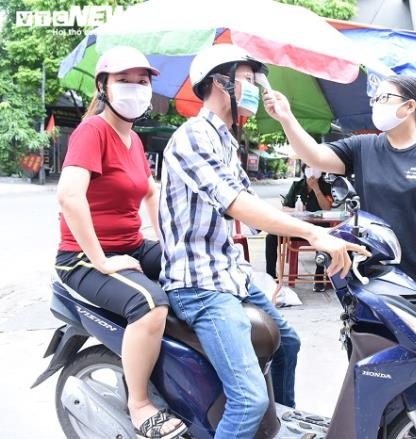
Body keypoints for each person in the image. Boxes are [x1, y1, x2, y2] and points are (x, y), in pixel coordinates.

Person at [158, 44, 368, 439]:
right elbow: (237, 204)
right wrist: (311, 232)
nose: (256, 88)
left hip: (226, 274)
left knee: (288, 341)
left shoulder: (225, 141)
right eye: (249, 80)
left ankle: (279, 428)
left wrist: (328, 229)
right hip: (199, 285)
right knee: (248, 400)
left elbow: (254, 205)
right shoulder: (193, 137)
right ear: (220, 83)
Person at [54, 46, 187, 439]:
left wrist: (168, 239)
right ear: (104, 87)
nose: (134, 89)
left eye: (142, 82)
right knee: (149, 306)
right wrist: (101, 261)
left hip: (130, 245)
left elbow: (149, 192)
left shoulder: (132, 140)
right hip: (80, 257)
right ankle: (140, 405)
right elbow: (69, 196)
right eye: (123, 81)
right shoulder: (92, 131)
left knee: (193, 269)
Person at [263, 75, 416, 310]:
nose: (377, 104)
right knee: (369, 343)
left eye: (384, 97)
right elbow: (315, 156)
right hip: (369, 275)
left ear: (409, 106)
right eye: (375, 99)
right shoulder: (363, 147)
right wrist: (286, 118)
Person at [265, 164, 333, 292]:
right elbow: (285, 208)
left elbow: (327, 208)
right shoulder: (297, 185)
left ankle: (319, 274)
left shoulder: (326, 186)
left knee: (326, 237)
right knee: (271, 237)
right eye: (308, 168)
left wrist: (316, 189)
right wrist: (298, 209)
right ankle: (271, 277)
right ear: (304, 170)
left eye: (315, 168)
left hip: (317, 228)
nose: (312, 171)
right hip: (296, 228)